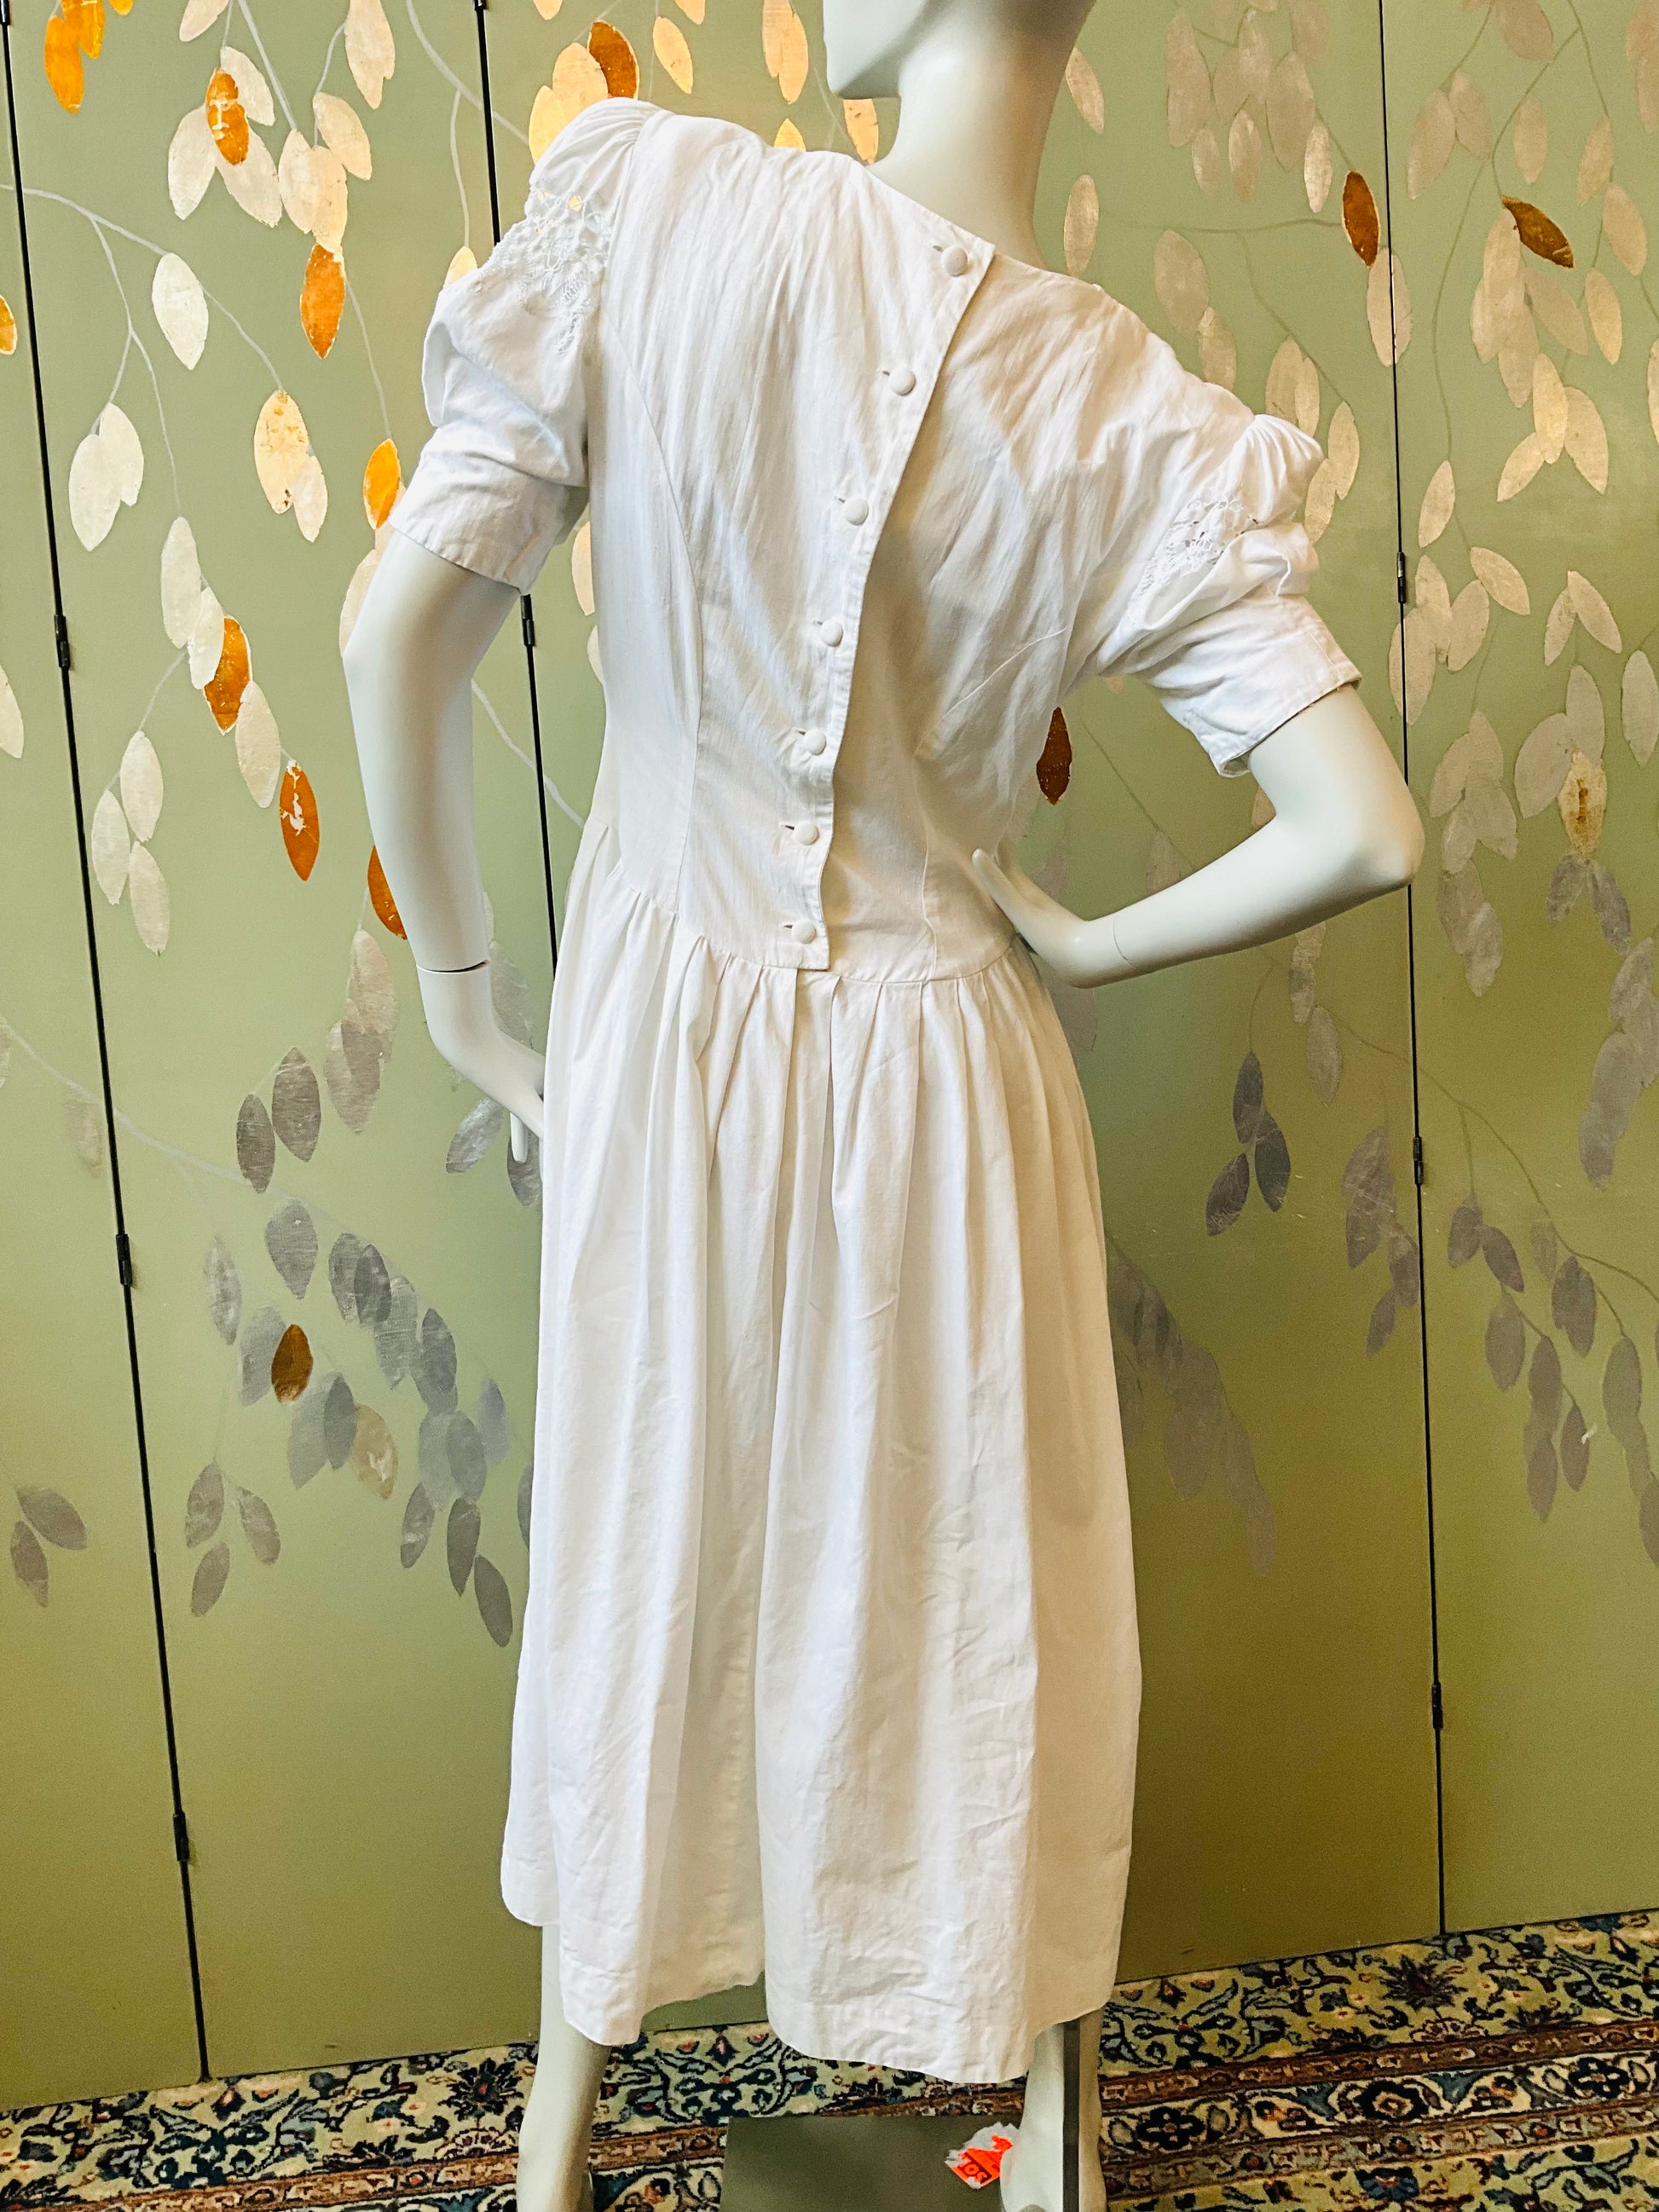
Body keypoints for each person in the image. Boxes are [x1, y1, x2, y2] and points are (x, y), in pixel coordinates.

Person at [343, 5, 1422, 2207]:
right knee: (975, 1571)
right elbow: (1361, 831)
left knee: (652, 1528)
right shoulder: (1126, 408)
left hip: (666, 1027)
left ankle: (557, 2135)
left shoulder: (651, 205)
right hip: (953, 1055)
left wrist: (468, 997)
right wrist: (1089, 942)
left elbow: (398, 631)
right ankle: (1044, 2132)